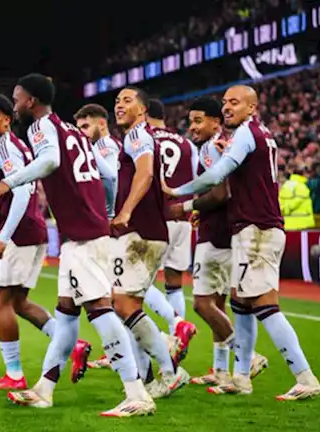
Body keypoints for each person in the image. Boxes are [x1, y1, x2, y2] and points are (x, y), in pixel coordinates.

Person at [0, 74, 155, 417]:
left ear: (31, 101)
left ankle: (137, 392)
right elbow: (108, 174)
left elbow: (50, 162)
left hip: (84, 236)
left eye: (17, 99)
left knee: (99, 310)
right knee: (65, 312)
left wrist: (7, 183)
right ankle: (44, 389)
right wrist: (107, 212)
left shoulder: (41, 127)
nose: (15, 106)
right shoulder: (73, 131)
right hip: (85, 233)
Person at [165, 85, 320, 400]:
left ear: (252, 107)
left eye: (234, 103)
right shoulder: (258, 134)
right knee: (240, 303)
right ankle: (241, 377)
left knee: (265, 305)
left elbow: (217, 177)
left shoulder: (246, 134)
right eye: (225, 102)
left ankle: (305, 377)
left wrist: (177, 193)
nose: (226, 107)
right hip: (251, 229)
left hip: (257, 229)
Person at [168, 97, 268, 386]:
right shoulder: (222, 144)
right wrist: (201, 211)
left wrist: (188, 206)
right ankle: (221, 371)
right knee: (218, 305)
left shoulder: (213, 147)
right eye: (190, 121)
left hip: (215, 237)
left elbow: (221, 193)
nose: (192, 127)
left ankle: (247, 356)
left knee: (202, 304)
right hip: (225, 231)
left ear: (216, 122)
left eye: (198, 121)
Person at [0, 93, 54, 390]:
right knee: (18, 302)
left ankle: (14, 375)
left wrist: (3, 238)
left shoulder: (6, 147)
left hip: (19, 233)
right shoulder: (12, 146)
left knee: (0, 300)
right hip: (33, 230)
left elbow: (23, 191)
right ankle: (71, 343)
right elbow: (14, 185)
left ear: (6, 120)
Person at [111, 87, 189, 400]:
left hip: (142, 232)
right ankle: (149, 372)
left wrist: (126, 211)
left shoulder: (138, 135)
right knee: (126, 306)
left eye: (127, 100)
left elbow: (144, 173)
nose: (119, 105)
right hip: (147, 231)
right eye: (117, 101)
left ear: (143, 110)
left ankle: (169, 369)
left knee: (123, 304)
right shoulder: (139, 137)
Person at [144, 98, 198, 362]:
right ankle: (178, 341)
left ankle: (175, 324)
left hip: (156, 218)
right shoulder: (187, 143)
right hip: (182, 218)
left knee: (136, 283)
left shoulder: (143, 138)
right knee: (174, 284)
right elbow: (198, 179)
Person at [73, 103, 120, 217]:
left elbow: (111, 177)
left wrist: (109, 214)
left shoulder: (102, 144)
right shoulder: (114, 142)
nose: (81, 133)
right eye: (79, 129)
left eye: (85, 126)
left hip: (114, 214)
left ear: (102, 124)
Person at [279, 165, 315, 230]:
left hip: (287, 223)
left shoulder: (286, 185)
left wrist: (283, 211)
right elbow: (294, 203)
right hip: (301, 224)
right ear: (303, 174)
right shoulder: (302, 187)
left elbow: (280, 202)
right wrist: (286, 209)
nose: (309, 176)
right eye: (307, 173)